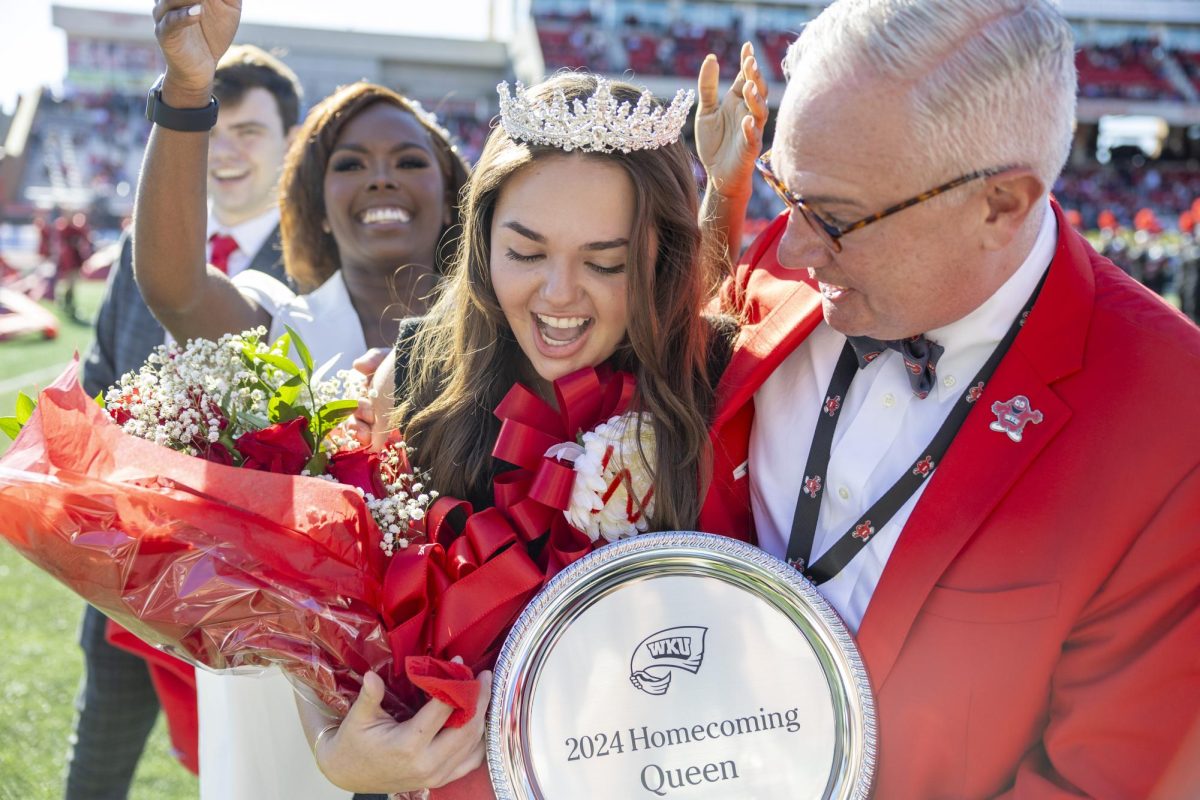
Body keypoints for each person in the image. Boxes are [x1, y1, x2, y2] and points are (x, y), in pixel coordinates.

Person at [697, 1, 1200, 797]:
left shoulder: (1174, 424)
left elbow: (1098, 781)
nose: (787, 245)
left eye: (831, 218)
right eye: (780, 190)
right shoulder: (784, 269)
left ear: (1001, 206)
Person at [304, 63, 766, 798]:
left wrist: (727, 195)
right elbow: (335, 603)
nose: (558, 296)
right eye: (524, 253)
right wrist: (332, 748)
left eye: (605, 263)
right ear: (482, 239)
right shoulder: (419, 372)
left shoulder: (718, 375)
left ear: (658, 259)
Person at [130, 4, 469, 799]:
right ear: (316, 204)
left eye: (408, 159)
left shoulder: (509, 340)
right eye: (348, 164)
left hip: (456, 715)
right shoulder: (274, 323)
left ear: (455, 194)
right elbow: (174, 287)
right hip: (286, 719)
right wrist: (187, 89)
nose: (380, 175)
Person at [68, 42, 303, 800]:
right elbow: (102, 377)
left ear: (289, 144)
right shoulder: (147, 247)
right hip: (123, 563)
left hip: (253, 590)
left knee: (246, 771)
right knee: (96, 755)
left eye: (250, 131)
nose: (227, 151)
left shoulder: (316, 263)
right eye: (214, 129)